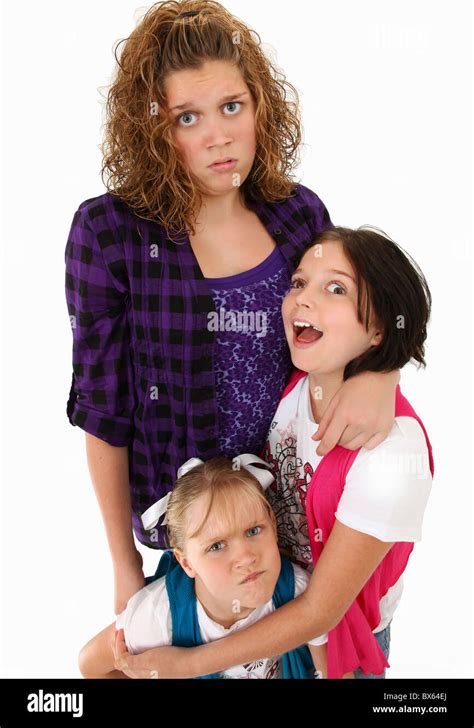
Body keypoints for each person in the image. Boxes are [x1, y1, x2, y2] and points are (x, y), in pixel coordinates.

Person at [65, 0, 400, 617]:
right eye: (186, 117)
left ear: (258, 106)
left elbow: (361, 316)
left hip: (306, 517)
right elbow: (102, 412)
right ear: (152, 128)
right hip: (199, 535)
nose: (219, 136)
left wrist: (384, 372)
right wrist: (122, 564)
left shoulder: (298, 213)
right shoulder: (109, 234)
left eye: (231, 107)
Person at [113, 226, 434, 679]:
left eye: (335, 288)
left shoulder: (392, 452)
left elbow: (321, 612)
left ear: (380, 325)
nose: (303, 298)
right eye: (299, 283)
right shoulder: (296, 382)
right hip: (257, 603)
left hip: (339, 641)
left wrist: (190, 664)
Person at [78, 454, 331, 679]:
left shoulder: (295, 589)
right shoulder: (156, 620)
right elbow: (91, 664)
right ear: (186, 562)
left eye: (253, 530)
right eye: (217, 546)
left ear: (273, 526)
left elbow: (327, 665)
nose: (246, 557)